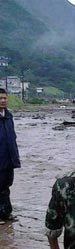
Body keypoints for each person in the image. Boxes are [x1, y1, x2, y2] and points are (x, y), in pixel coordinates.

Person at [0, 88, 21, 224]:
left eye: (4, 98)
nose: (2, 101)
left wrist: (15, 158)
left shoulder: (8, 116)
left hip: (9, 157)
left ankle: (6, 212)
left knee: (6, 186)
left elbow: (12, 137)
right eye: (0, 98)